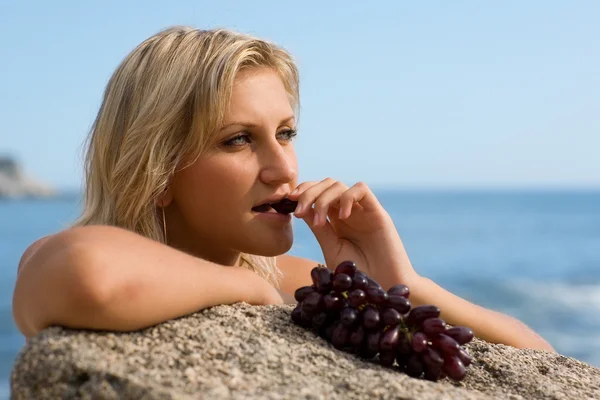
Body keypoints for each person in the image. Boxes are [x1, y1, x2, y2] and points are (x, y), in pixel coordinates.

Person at [12, 26, 554, 352]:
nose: (283, 167)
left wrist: (400, 281)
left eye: (286, 133)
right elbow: (91, 278)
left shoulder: (294, 282)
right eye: (238, 140)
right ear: (156, 172)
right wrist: (245, 289)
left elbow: (540, 359)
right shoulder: (61, 260)